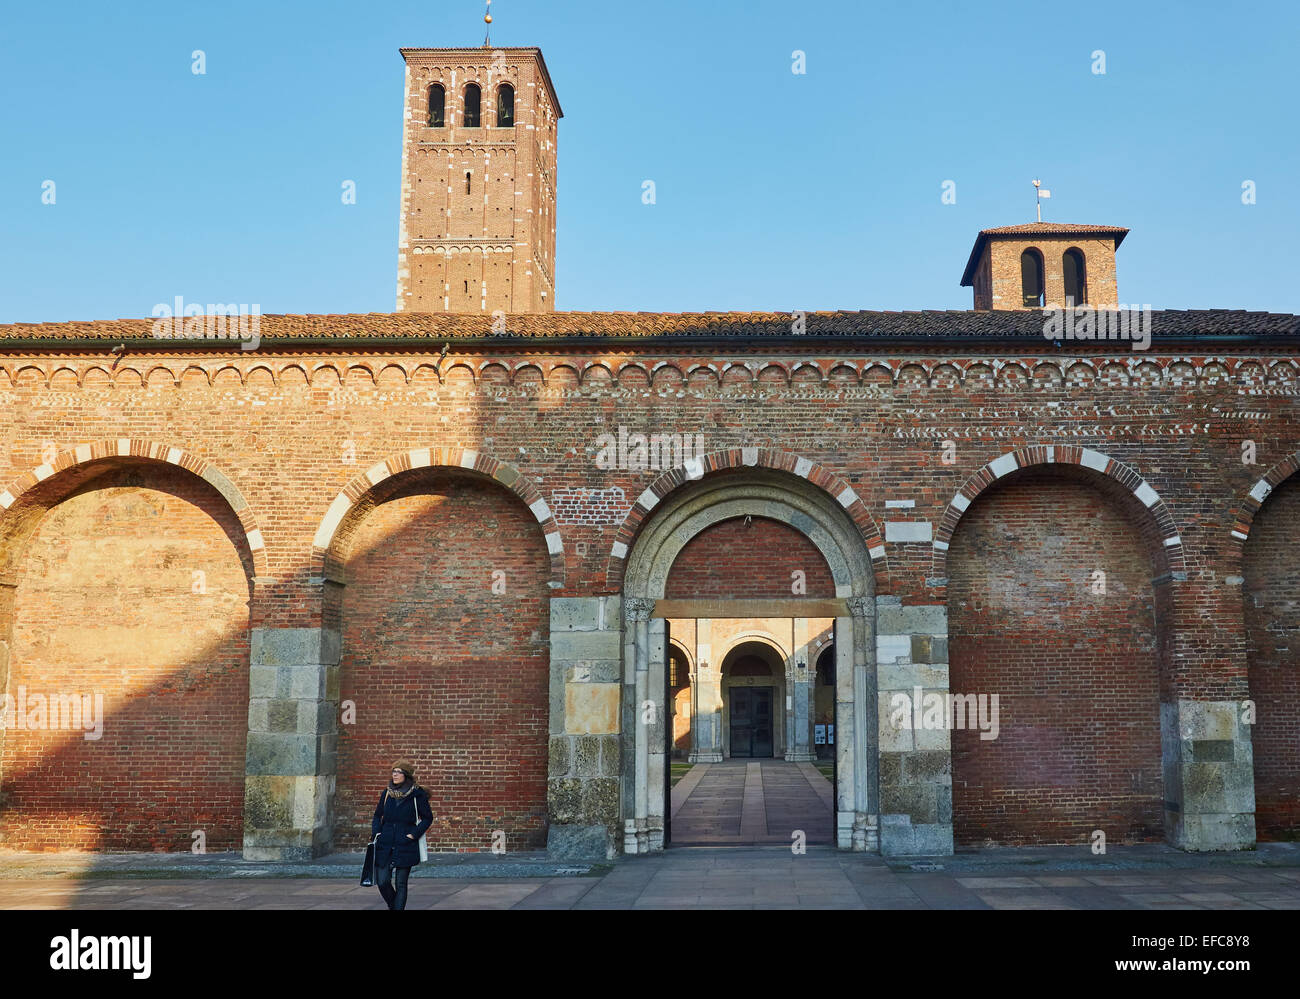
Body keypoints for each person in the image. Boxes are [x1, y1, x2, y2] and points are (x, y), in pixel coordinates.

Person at [370, 759, 432, 910]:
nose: (395, 774)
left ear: (406, 775)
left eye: (399, 772)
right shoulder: (387, 793)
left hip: (406, 843)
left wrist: (413, 835)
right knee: (383, 881)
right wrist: (377, 832)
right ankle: (394, 906)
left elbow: (427, 818)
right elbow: (378, 815)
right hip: (385, 842)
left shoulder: (417, 794)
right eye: (393, 771)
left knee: (401, 884)